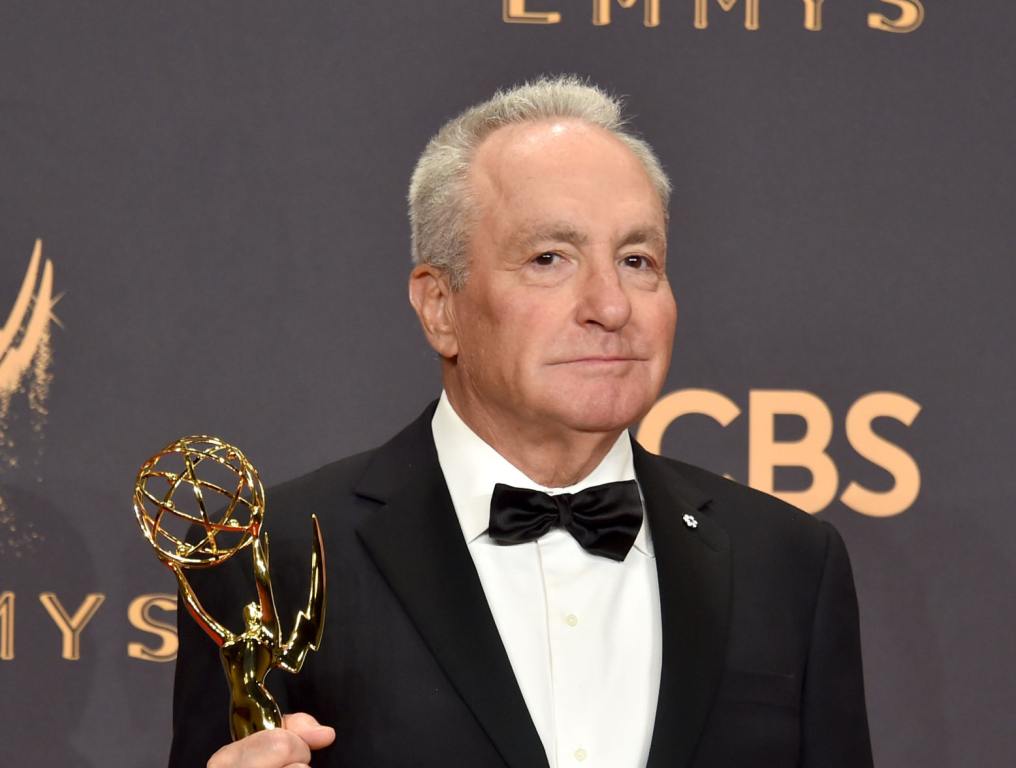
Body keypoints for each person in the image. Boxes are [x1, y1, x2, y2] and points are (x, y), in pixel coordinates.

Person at [169, 76, 873, 768]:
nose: (611, 304)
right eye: (549, 259)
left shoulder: (788, 566)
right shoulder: (277, 555)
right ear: (440, 305)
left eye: (637, 260)